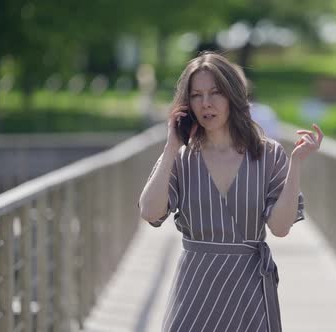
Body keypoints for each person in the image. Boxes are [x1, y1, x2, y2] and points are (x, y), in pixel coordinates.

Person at [138, 52, 323, 332]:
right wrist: (171, 146)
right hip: (194, 293)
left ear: (233, 96)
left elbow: (280, 228)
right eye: (197, 95)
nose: (206, 103)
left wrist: (295, 164)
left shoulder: (267, 154)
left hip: (248, 292)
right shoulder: (182, 157)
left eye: (215, 93)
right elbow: (150, 211)